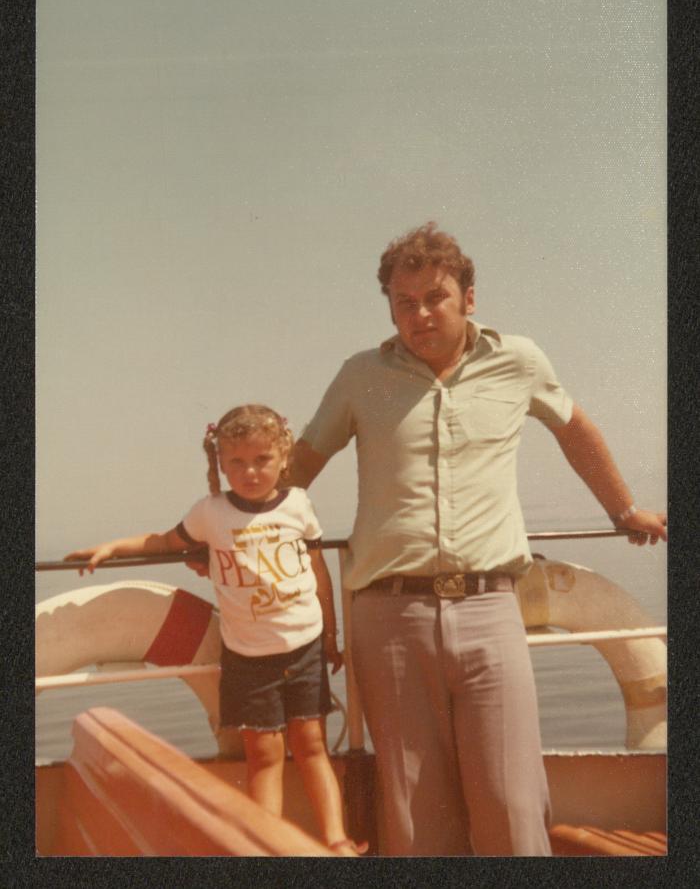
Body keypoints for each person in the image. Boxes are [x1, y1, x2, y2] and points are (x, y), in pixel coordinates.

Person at [288, 222, 667, 857]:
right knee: (413, 817)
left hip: (491, 610)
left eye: (434, 297)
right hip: (387, 616)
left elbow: (574, 429)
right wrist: (225, 524)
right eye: (403, 302)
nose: (419, 314)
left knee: (513, 805)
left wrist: (623, 508)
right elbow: (297, 469)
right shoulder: (360, 376)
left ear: (469, 298)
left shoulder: (519, 360)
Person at [65, 404, 367, 856]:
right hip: (247, 656)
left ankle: (336, 839)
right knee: (263, 757)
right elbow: (163, 541)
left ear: (284, 457)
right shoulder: (210, 512)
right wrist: (112, 546)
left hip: (302, 648)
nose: (250, 471)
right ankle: (265, 846)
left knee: (311, 747)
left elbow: (319, 573)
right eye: (237, 462)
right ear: (221, 464)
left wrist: (329, 638)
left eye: (262, 459)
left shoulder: (299, 505)